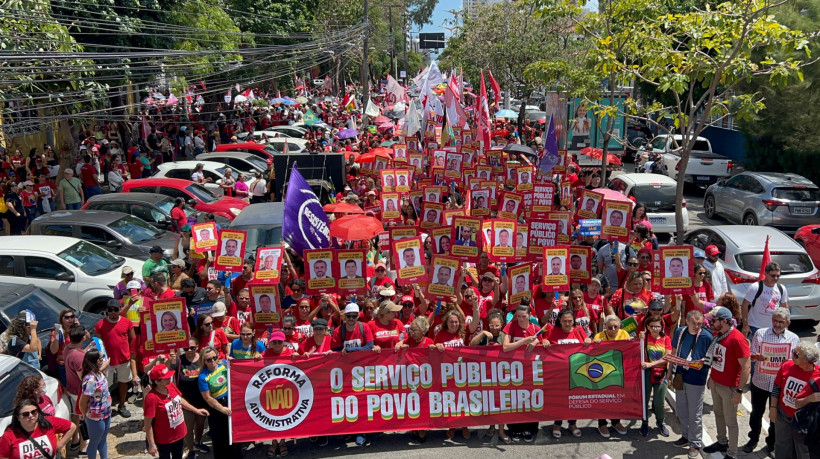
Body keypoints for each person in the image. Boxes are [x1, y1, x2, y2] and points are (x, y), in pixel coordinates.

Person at [744, 307, 800, 454]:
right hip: (760, 382)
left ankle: (771, 443)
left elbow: (797, 361)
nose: (777, 324)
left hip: (780, 385)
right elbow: (750, 354)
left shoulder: (794, 338)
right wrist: (756, 356)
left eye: (781, 322)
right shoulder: (760, 334)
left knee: (776, 415)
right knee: (756, 413)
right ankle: (753, 438)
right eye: (775, 320)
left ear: (788, 323)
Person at [703, 306, 751, 459]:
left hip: (730, 388)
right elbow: (717, 358)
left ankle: (732, 453)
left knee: (731, 421)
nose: (711, 323)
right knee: (718, 414)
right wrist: (712, 377)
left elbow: (746, 367)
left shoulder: (738, 339)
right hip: (716, 383)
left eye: (714, 320)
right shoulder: (719, 335)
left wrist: (739, 391)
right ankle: (722, 441)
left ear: (724, 321)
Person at [669, 310, 713, 458]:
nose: (696, 326)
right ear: (687, 321)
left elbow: (713, 358)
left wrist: (705, 365)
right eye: (693, 323)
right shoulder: (680, 332)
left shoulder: (706, 337)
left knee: (695, 413)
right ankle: (686, 435)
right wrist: (669, 371)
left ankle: (695, 443)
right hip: (680, 375)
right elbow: (674, 352)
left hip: (697, 379)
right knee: (681, 409)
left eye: (699, 324)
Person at [145, 364, 210, 459]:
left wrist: (196, 410)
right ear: (157, 382)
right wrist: (151, 444)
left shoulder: (170, 385)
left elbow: (180, 399)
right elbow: (148, 424)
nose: (169, 378)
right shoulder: (151, 398)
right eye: (166, 378)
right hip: (164, 439)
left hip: (179, 433)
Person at [772, 343, 820, 459]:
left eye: (796, 354)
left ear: (807, 360)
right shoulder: (787, 366)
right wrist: (773, 408)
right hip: (783, 414)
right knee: (782, 447)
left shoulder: (818, 376)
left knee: (803, 451)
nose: (792, 355)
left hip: (803, 420)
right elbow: (777, 387)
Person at [549, 309, 592, 438]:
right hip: (559, 373)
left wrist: (588, 341)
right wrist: (545, 342)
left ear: (574, 321)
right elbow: (545, 345)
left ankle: (572, 423)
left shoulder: (579, 330)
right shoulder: (553, 331)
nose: (567, 324)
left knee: (574, 399)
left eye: (570, 321)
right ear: (559, 320)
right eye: (564, 321)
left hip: (576, 372)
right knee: (560, 400)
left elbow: (588, 344)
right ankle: (557, 424)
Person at [94, 301, 135, 418]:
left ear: (120, 309)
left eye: (115, 310)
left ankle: (122, 405)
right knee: (104, 385)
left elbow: (133, 339)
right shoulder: (100, 325)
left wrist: (132, 356)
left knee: (123, 383)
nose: (113, 312)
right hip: (107, 362)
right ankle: (105, 406)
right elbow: (98, 344)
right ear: (106, 310)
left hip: (124, 359)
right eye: (110, 310)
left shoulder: (127, 322)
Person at [591, 315, 630, 437]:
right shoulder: (599, 336)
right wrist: (595, 344)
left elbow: (630, 349)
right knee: (603, 398)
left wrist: (631, 341)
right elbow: (592, 353)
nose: (613, 329)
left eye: (615, 326)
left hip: (619, 371)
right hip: (603, 372)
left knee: (617, 398)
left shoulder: (624, 333)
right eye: (610, 327)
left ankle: (616, 422)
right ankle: (602, 424)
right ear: (605, 327)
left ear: (619, 326)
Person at [0, 399, 77, 459]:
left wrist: (60, 445)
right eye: (26, 414)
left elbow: (72, 427)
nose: (31, 416)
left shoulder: (48, 423)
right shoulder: (9, 436)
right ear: (18, 417)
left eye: (34, 412)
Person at [198, 346, 238, 456]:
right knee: (219, 438)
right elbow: (207, 398)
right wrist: (222, 409)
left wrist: (233, 361)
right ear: (204, 361)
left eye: (214, 358)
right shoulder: (203, 376)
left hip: (231, 401)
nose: (212, 361)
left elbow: (238, 368)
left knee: (233, 435)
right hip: (216, 407)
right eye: (209, 359)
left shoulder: (224, 364)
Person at [173, 338, 209, 458]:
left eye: (192, 348)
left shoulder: (203, 360)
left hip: (202, 400)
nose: (189, 350)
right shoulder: (179, 360)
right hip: (185, 401)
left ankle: (198, 442)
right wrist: (168, 360)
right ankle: (189, 448)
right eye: (186, 348)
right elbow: (168, 370)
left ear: (197, 347)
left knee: (200, 425)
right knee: (188, 427)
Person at [640, 315, 671, 437]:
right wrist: (639, 339)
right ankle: (644, 423)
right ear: (648, 327)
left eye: (658, 326)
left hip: (661, 373)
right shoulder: (644, 338)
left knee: (659, 402)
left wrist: (651, 364)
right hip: (646, 373)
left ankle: (660, 423)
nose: (655, 329)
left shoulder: (666, 339)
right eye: (652, 326)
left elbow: (667, 357)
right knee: (645, 400)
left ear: (662, 327)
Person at [741, 262, 788, 338]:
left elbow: (784, 307)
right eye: (773, 275)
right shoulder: (755, 287)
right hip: (755, 327)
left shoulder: (782, 288)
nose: (775, 278)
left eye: (778, 276)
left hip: (774, 328)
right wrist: (745, 325)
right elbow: (744, 305)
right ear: (765, 274)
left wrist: (785, 325)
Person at [79, 350, 111, 459]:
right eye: (101, 358)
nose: (103, 360)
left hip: (106, 412)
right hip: (95, 417)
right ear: (97, 361)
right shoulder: (90, 380)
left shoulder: (99, 373)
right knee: (95, 442)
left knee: (103, 439)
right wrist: (85, 414)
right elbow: (83, 402)